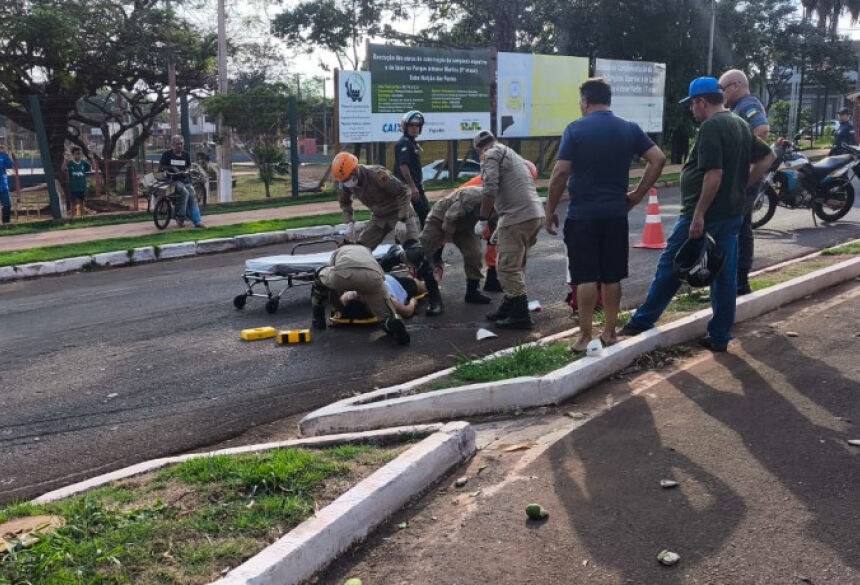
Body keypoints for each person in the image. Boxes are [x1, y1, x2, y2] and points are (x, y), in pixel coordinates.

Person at [619, 77, 775, 352]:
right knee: (724, 274)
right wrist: (744, 184)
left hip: (706, 215)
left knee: (671, 265)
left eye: (692, 105)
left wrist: (699, 216)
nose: (692, 110)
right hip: (731, 213)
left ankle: (642, 322)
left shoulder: (712, 127)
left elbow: (714, 174)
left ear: (701, 102)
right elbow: (768, 157)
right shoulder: (739, 123)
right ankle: (719, 335)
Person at [545, 77, 666, 352]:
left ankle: (584, 337)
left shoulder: (575, 129)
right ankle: (610, 333)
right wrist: (636, 195)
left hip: (582, 215)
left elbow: (561, 172)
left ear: (585, 101)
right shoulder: (629, 128)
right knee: (612, 276)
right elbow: (658, 159)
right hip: (615, 214)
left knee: (586, 276)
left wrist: (550, 209)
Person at [331, 151, 443, 316]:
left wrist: (403, 219)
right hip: (379, 217)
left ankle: (435, 299)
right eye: (344, 180)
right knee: (357, 252)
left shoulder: (377, 174)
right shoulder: (345, 182)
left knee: (415, 253)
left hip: (399, 211)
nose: (348, 183)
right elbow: (344, 202)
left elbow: (403, 192)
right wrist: (349, 222)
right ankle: (355, 293)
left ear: (355, 169)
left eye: (349, 177)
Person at [472, 130, 545, 329]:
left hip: (517, 217)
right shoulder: (512, 153)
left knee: (507, 267)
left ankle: (520, 316)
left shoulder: (490, 155)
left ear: (479, 149)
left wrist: (482, 219)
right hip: (534, 214)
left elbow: (489, 189)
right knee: (516, 264)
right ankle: (509, 307)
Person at [718, 69, 771, 296]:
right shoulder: (737, 108)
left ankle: (739, 281)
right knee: (737, 226)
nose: (721, 94)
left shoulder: (748, 105)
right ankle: (730, 281)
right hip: (740, 177)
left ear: (736, 86)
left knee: (739, 227)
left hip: (745, 177)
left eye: (723, 89)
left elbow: (762, 129)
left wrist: (745, 161)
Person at [311, 244, 410, 345]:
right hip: (373, 278)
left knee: (319, 273)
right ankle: (391, 323)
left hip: (343, 275)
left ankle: (319, 320)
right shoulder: (366, 251)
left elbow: (333, 274)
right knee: (386, 315)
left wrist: (337, 305)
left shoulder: (339, 251)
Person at [419, 185, 492, 305]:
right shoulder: (472, 198)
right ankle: (426, 289)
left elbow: (494, 223)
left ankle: (473, 292)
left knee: (474, 254)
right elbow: (450, 217)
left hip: (465, 226)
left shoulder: (498, 204)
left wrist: (494, 238)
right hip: (441, 218)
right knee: (422, 251)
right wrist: (447, 240)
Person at [394, 110, 431, 227]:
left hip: (415, 186)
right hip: (407, 188)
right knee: (410, 217)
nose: (414, 128)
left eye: (417, 125)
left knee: (424, 214)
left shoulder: (411, 142)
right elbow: (403, 166)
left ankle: (425, 242)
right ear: (405, 127)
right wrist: (412, 187)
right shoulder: (404, 143)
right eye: (411, 125)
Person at [159, 135, 205, 228]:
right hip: (171, 181)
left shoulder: (186, 155)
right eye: (177, 144)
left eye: (181, 144)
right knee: (184, 192)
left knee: (192, 194)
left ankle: (197, 221)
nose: (179, 146)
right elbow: (161, 166)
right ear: (172, 145)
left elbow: (188, 166)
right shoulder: (167, 154)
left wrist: (187, 171)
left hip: (183, 179)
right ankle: (180, 217)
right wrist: (172, 168)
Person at [340, 274, 425, 319]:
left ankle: (426, 278)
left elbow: (407, 311)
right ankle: (413, 275)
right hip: (384, 279)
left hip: (398, 285)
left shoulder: (384, 299)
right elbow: (407, 311)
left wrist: (413, 301)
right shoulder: (353, 295)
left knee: (422, 287)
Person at [64, 147, 93, 217]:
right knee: (72, 203)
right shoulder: (70, 162)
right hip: (73, 187)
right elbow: (63, 169)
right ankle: (72, 218)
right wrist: (65, 160)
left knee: (82, 202)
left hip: (82, 187)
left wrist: (91, 158)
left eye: (80, 154)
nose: (78, 155)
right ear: (73, 154)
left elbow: (91, 168)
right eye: (77, 154)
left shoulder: (83, 162)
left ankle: (82, 217)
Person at [0, 142, 14, 225]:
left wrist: (5, 154)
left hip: (3, 186)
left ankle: (6, 223)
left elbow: (10, 165)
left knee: (7, 205)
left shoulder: (2, 156)